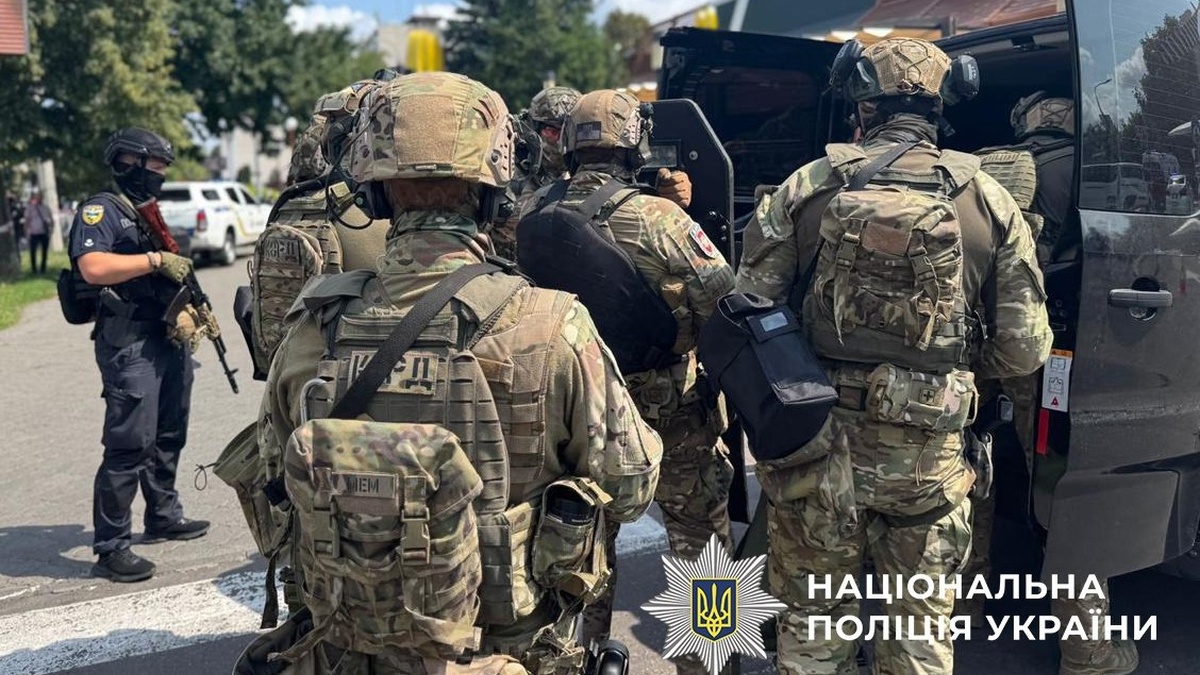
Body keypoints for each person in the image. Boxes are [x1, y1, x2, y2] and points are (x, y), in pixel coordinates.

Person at [254, 71, 662, 673]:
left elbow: (272, 484)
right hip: (508, 649)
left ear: (374, 194)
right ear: (495, 191)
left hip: (349, 649)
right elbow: (630, 484)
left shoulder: (312, 328)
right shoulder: (552, 326)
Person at [735, 38, 1053, 674]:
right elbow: (1023, 350)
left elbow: (749, 311)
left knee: (813, 627)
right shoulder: (989, 199)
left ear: (862, 107)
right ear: (942, 106)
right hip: (930, 459)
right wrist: (953, 367)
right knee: (919, 636)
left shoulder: (808, 186)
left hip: (817, 447)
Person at [518, 88, 736, 675]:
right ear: (634, 146)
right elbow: (726, 305)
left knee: (582, 548)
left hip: (573, 417)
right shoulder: (661, 219)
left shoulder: (530, 212)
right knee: (700, 546)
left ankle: (581, 659)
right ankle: (710, 661)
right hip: (671, 414)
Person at [969, 94, 1137, 675]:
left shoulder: (978, 167)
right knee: (1065, 490)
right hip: (1047, 350)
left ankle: (964, 598)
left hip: (970, 345)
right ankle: (1087, 652)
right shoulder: (1086, 167)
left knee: (966, 472)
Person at [69, 128, 210, 584]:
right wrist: (154, 261)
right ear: (130, 162)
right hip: (128, 343)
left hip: (164, 337)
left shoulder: (147, 211)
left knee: (169, 432)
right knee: (130, 443)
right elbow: (93, 267)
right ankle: (111, 546)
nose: (161, 176)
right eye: (157, 167)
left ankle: (163, 515)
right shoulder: (101, 210)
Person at [25, 193, 52, 274]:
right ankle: (34, 269)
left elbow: (50, 219)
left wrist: (50, 229)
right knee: (33, 252)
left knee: (44, 251)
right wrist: (27, 232)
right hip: (34, 233)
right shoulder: (30, 208)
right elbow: (27, 221)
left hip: (44, 232)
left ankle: (43, 268)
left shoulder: (45, 208)